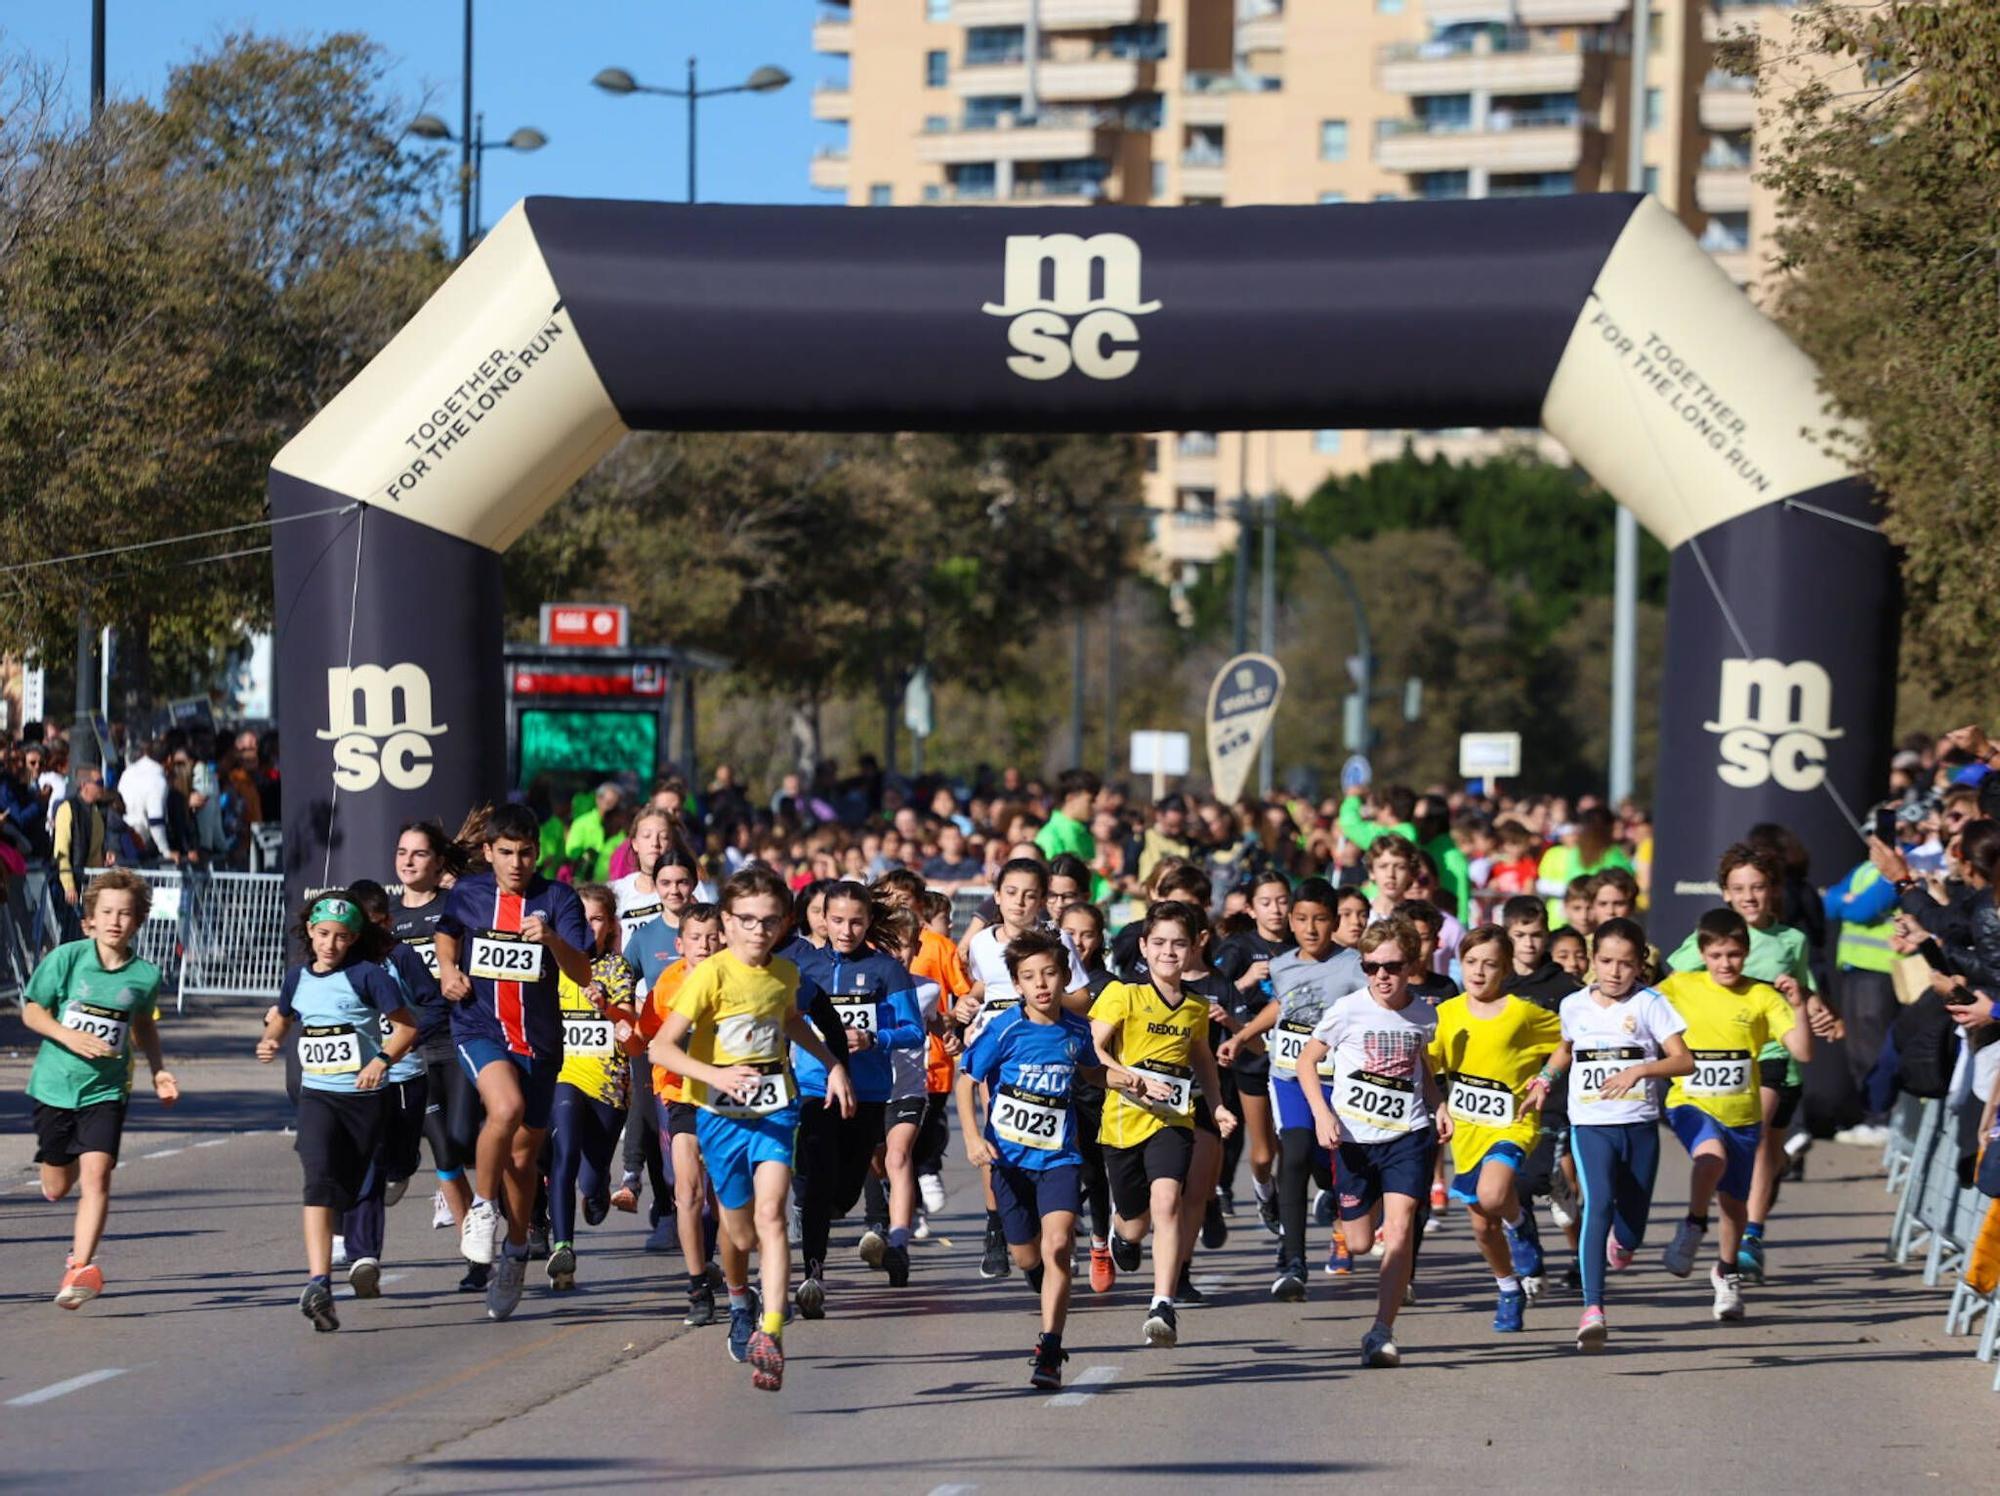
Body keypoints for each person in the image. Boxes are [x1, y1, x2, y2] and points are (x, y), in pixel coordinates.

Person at [648, 865, 858, 1392]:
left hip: (774, 1107)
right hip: (718, 1115)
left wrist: (831, 1064)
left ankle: (771, 1329)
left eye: (768, 922)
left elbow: (788, 1019)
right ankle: (739, 1296)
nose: (758, 931)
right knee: (737, 1231)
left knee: (772, 1214)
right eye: (746, 920)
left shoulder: (785, 975)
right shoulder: (710, 975)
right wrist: (716, 1074)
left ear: (784, 923)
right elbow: (661, 1047)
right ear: (727, 920)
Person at [433, 803, 595, 1321]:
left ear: (538, 853)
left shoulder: (558, 898)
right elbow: (447, 930)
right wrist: (447, 969)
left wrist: (550, 939)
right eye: (506, 853)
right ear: (489, 853)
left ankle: (518, 1248)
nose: (517, 862)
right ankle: (482, 1210)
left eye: (525, 853)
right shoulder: (470, 893)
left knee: (523, 1162)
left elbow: (583, 966)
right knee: (504, 1108)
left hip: (540, 1043)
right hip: (479, 1026)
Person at [1662, 844, 1830, 1283]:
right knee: (1760, 1148)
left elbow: (1803, 993)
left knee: (1766, 1149)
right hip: (1729, 1057)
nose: (1749, 897)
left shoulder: (1791, 940)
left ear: (1773, 890)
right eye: (1739, 888)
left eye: (1758, 887)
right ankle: (1745, 1235)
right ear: (1725, 894)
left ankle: (1752, 1233)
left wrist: (1816, 1008)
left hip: (1773, 1054)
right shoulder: (1715, 938)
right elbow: (1673, 979)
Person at [257, 894, 418, 1332]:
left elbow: (407, 1027)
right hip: (318, 1097)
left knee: (351, 1187)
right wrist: (271, 1039)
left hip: (364, 1099)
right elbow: (282, 1017)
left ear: (354, 940)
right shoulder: (297, 979)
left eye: (341, 937)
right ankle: (318, 1282)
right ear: (310, 931)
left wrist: (381, 1061)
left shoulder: (368, 977)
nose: (330, 944)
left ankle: (347, 1259)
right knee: (318, 1181)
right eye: (324, 934)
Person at [1297, 917, 1448, 1369]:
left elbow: (1424, 1070)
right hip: (1354, 1140)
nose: (1382, 976)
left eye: (1393, 966)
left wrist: (1438, 1105)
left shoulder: (1424, 1013)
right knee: (1361, 1242)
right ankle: (1353, 1220)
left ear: (1411, 966)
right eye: (1371, 967)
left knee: (1400, 1232)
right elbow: (1307, 1063)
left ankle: (1382, 1330)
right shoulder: (1348, 1010)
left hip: (1408, 1135)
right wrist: (1323, 1114)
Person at [22, 869, 176, 1309]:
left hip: (106, 1091)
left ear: (139, 920)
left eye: (125, 914)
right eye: (107, 912)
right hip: (54, 1087)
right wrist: (68, 1037)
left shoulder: (145, 975)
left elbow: (143, 1025)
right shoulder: (68, 958)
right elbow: (32, 1012)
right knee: (56, 1183)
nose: (115, 921)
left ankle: (80, 1266)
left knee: (98, 1174)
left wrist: (158, 1070)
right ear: (90, 917)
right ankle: (57, 1168)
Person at [1089, 900, 1238, 1349]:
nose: (1169, 952)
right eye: (1159, 943)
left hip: (1172, 1120)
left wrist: (1216, 1106)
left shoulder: (1195, 1007)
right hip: (1121, 1122)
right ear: (1143, 947)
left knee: (1168, 1199)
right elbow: (1091, 1051)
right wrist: (1131, 1078)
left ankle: (1162, 1303)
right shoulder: (1123, 994)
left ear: (1193, 949)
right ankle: (1121, 1232)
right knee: (1135, 1223)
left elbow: (1203, 1061)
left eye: (1178, 944)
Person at [957, 929, 1099, 1390]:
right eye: (1030, 977)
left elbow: (1094, 1070)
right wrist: (973, 1138)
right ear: (1016, 985)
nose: (1041, 984)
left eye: (1050, 974)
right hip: (1009, 1161)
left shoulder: (1077, 1030)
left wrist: (1129, 1081)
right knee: (1026, 1255)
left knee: (1059, 1245)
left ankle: (1050, 1348)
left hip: (1060, 1156)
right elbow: (965, 1082)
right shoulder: (1005, 1030)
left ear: (1064, 977)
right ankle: (1038, 1277)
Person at [1218, 877, 1364, 1300]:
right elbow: (1281, 1006)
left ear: (1334, 921)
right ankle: (1292, 1261)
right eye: (1301, 919)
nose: (1311, 928)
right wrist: (1242, 1036)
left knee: (1326, 1162)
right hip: (1290, 1078)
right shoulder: (1282, 965)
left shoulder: (1354, 965)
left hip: (1339, 1083)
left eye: (1320, 920)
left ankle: (1337, 1201)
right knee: (1295, 1153)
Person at [1554, 916, 1692, 1351]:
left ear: (1639, 966)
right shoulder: (1574, 1005)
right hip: (1591, 1124)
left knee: (1632, 1222)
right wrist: (1543, 1079)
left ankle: (1625, 1243)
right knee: (1596, 1203)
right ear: (1593, 961)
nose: (1615, 972)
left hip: (1639, 1124)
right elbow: (1565, 1048)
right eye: (1607, 961)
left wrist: (1640, 1069)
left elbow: (1684, 1061)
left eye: (1626, 964)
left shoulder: (1651, 1004)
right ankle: (1593, 1308)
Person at [792, 882, 924, 1313]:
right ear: (821, 919)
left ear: (868, 922)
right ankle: (813, 1275)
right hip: (814, 1087)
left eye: (855, 921)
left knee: (843, 1191)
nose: (846, 930)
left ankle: (844, 1211)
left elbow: (913, 1030)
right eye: (837, 920)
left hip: (867, 1093)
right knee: (815, 1180)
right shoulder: (800, 962)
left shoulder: (886, 970)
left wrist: (873, 1038)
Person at [960, 857, 1091, 1279]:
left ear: (1043, 901)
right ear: (997, 897)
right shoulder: (982, 943)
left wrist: (1039, 1002)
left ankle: (1049, 1211)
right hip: (997, 1045)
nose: (1020, 903)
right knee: (996, 1131)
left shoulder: (1057, 941)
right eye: (1012, 893)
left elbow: (1081, 998)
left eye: (1030, 895)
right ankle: (997, 1223)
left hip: (1042, 1043)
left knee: (1035, 1127)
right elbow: (985, 986)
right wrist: (969, 1007)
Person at [1429, 925, 1563, 1332]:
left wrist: (1545, 1080)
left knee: (1493, 1194)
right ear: (1460, 963)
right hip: (1467, 1131)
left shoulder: (1522, 1012)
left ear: (1505, 969)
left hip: (1513, 1124)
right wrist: (1437, 1106)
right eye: (1471, 962)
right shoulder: (1447, 1014)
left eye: (1490, 964)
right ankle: (1508, 1287)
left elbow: (1568, 1040)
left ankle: (1520, 1225)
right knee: (1482, 1225)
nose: (1479, 971)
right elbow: (1428, 1063)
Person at [337, 879, 448, 1298]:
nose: (351, 936)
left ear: (383, 921)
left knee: (395, 1161)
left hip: (404, 1077)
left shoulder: (399, 956)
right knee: (368, 1165)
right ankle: (365, 1256)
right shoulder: (336, 960)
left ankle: (406, 1164)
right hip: (356, 1084)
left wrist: (408, 1041)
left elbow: (435, 1004)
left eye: (363, 926)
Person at [547, 884, 645, 1291]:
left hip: (610, 1086)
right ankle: (563, 1249)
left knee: (590, 1178)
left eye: (597, 919)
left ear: (610, 926)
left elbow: (632, 1031)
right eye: (580, 919)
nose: (587, 927)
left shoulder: (617, 969)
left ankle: (599, 1185)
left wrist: (606, 1006)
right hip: (565, 1075)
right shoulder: (550, 966)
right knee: (564, 1151)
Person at [636, 901, 728, 1325]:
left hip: (728, 1097)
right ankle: (697, 1287)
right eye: (696, 937)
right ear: (680, 943)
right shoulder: (667, 984)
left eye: (712, 937)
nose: (704, 945)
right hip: (679, 1095)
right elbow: (646, 1039)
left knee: (728, 1198)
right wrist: (620, 1022)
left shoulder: (738, 979)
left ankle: (735, 1277)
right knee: (687, 1191)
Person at [1209, 871, 1291, 1236]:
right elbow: (1216, 994)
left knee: (1294, 1145)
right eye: (1266, 902)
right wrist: (1246, 981)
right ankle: (1263, 1190)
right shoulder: (1239, 947)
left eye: (1282, 901)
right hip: (1254, 1056)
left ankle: (1290, 1212)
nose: (1275, 909)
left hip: (1295, 1058)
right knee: (1262, 1153)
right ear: (1252, 909)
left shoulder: (1301, 945)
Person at [1059, 899, 1120, 1292]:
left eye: (1087, 934)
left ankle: (1100, 1243)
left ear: (1099, 940)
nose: (1079, 941)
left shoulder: (1110, 986)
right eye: (1071, 934)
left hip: (1093, 1092)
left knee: (1094, 1173)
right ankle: (1062, 1243)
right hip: (1049, 1093)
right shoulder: (1042, 977)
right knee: (1058, 1172)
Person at [50, 766, 110, 908]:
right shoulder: (67, 809)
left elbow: (97, 851)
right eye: (99, 783)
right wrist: (68, 885)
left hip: (89, 886)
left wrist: (106, 855)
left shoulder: (97, 813)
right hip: (68, 887)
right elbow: (61, 850)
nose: (103, 787)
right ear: (84, 785)